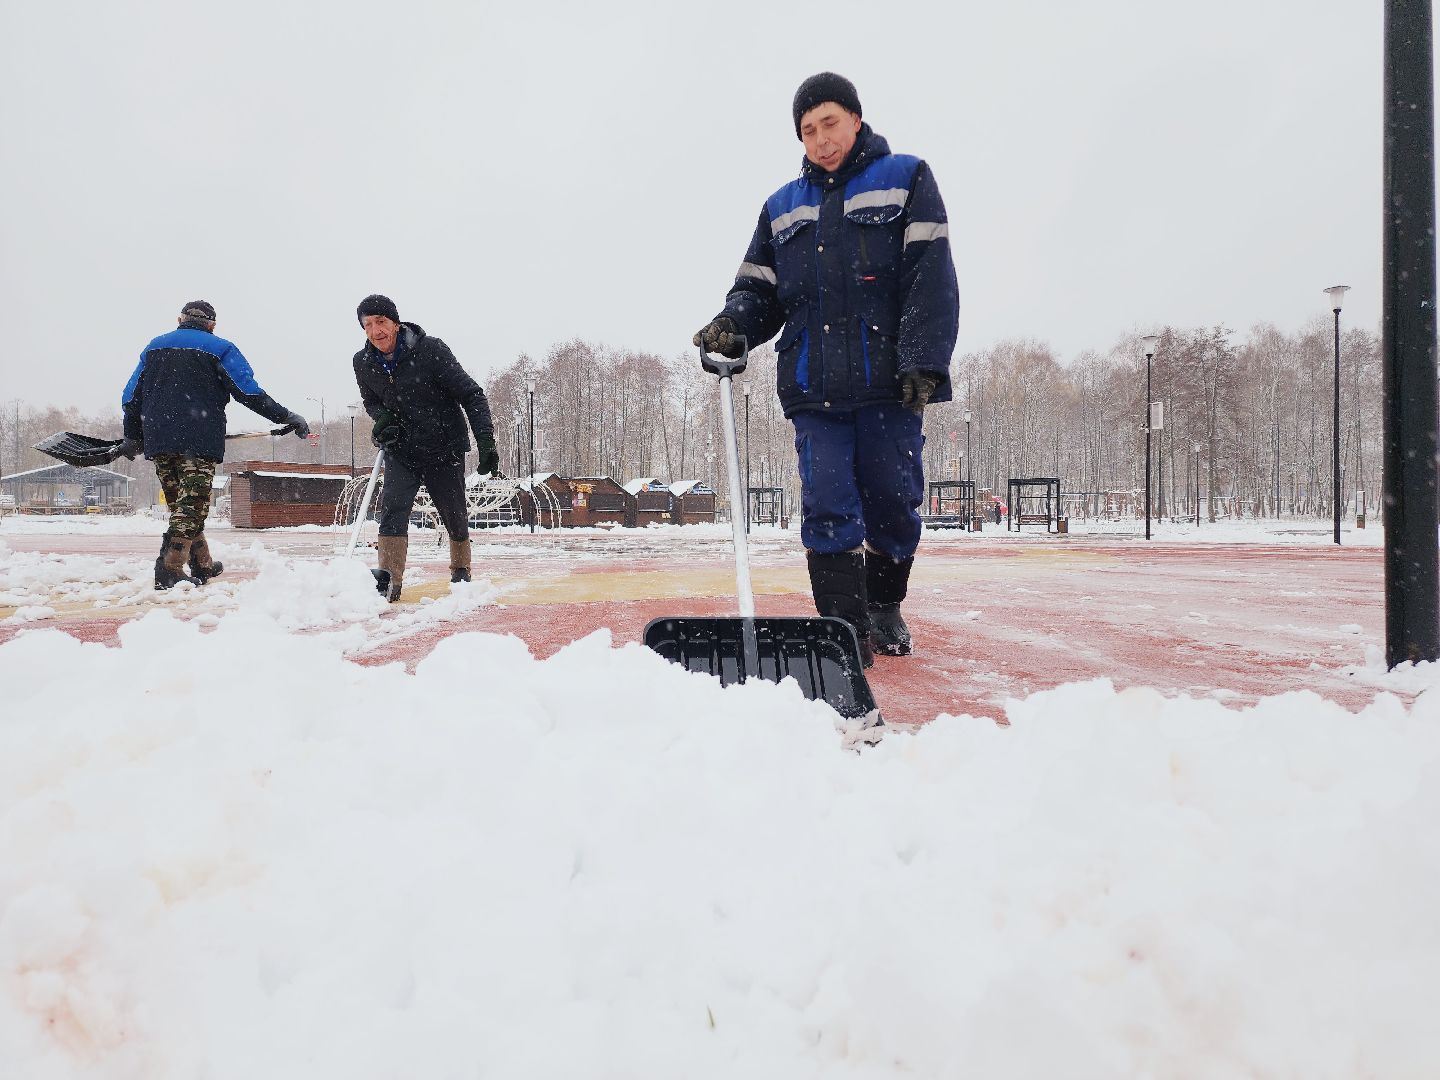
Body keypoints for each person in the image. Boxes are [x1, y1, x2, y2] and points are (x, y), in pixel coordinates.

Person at [693, 73, 959, 663]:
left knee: (894, 502)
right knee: (828, 503)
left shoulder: (906, 178)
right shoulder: (782, 207)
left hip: (890, 385)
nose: (821, 138)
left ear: (856, 120)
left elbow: (930, 276)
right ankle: (843, 629)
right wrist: (732, 324)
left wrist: (923, 361)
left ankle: (884, 605)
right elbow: (757, 290)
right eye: (808, 130)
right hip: (813, 386)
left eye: (830, 123)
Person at [120, 300, 310, 589]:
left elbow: (130, 396)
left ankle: (202, 563)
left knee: (182, 504)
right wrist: (285, 416)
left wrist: (132, 435)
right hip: (198, 438)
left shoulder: (154, 347)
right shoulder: (220, 348)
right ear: (212, 325)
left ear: (180, 320)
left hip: (159, 438)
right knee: (191, 505)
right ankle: (170, 567)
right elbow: (248, 392)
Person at [351, 294, 499, 601]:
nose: (376, 331)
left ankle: (461, 569)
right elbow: (371, 401)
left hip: (443, 446)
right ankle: (389, 581)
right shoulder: (363, 363)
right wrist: (383, 418)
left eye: (381, 322)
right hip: (402, 449)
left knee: (453, 511)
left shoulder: (430, 350)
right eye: (368, 325)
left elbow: (471, 394)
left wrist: (485, 439)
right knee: (392, 510)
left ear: (395, 323)